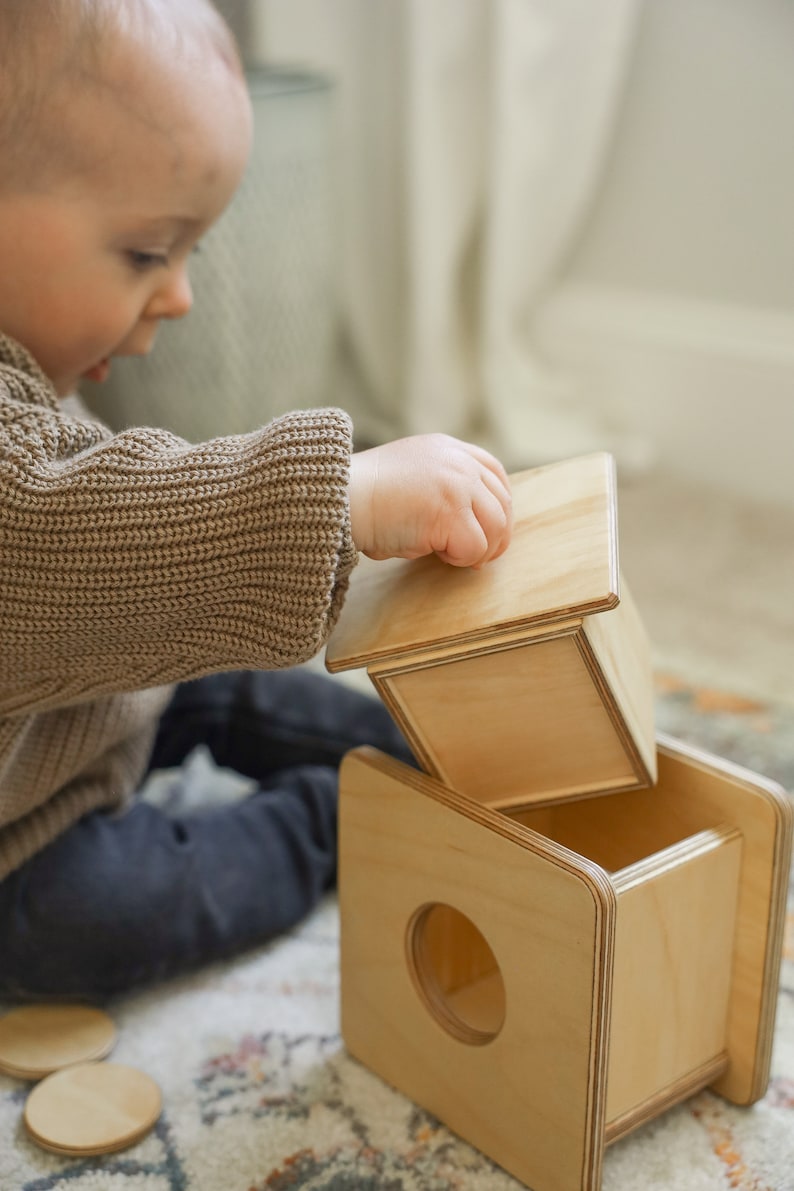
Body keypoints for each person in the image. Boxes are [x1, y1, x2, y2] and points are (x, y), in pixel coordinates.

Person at [0, 0, 512, 1001]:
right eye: (148, 252)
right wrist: (345, 492)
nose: (179, 294)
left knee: (221, 673)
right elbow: (79, 526)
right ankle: (338, 820)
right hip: (20, 835)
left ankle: (469, 765)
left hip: (81, 696)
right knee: (73, 925)